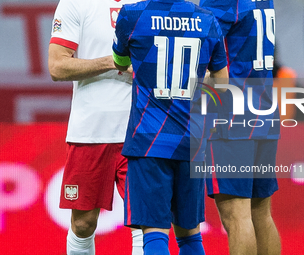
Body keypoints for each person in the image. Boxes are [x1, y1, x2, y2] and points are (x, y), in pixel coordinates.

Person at [112, 1, 229, 254]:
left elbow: (120, 62)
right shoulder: (207, 20)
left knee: (154, 231)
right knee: (189, 234)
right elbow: (222, 82)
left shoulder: (133, 14)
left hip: (149, 140)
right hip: (192, 142)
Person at [48, 0, 143, 254]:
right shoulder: (74, 3)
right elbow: (57, 66)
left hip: (140, 131)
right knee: (83, 224)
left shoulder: (148, 3)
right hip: (90, 130)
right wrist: (114, 61)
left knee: (145, 222)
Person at [199, 0, 281, 254]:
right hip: (265, 109)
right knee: (260, 212)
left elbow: (201, 52)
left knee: (237, 216)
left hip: (231, 117)